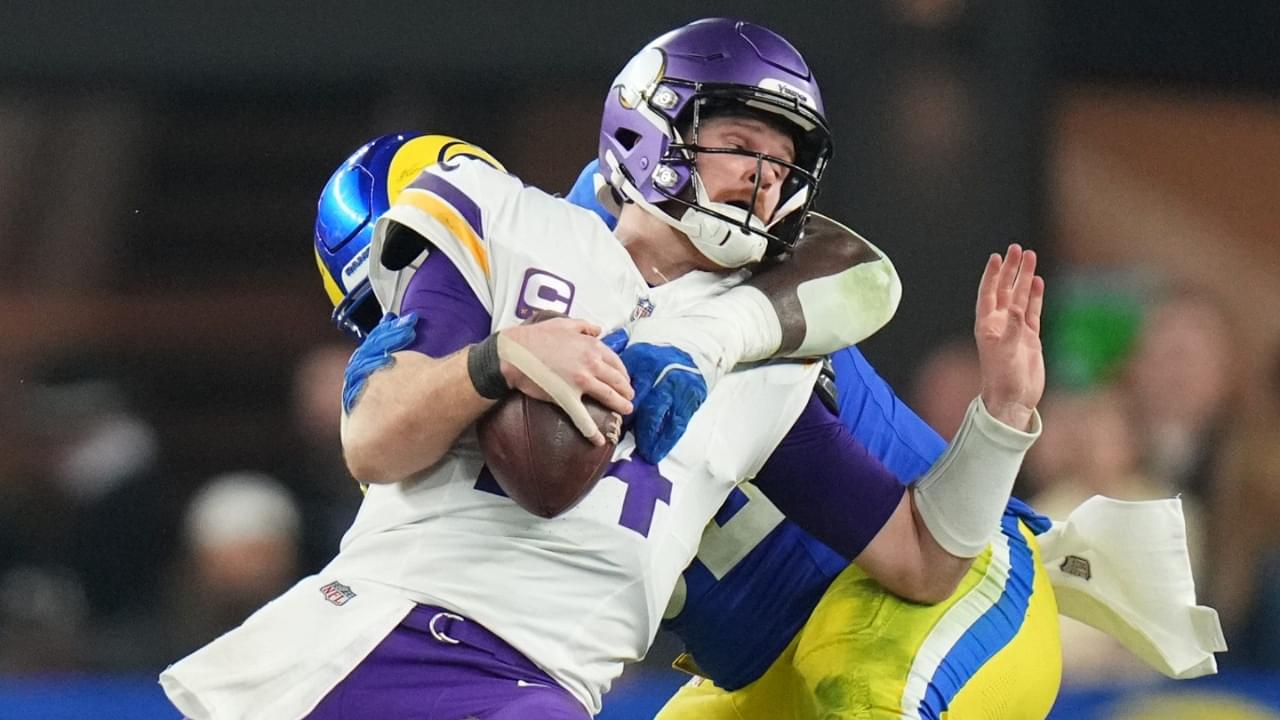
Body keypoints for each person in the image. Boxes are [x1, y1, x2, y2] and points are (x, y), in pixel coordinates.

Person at [161, 19, 1046, 719]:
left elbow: (924, 562)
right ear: (646, 128)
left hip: (547, 688)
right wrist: (498, 358)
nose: (762, 181)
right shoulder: (506, 221)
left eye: (783, 163)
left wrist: (1003, 415)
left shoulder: (764, 359)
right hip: (395, 642)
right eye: (741, 143)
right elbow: (375, 443)